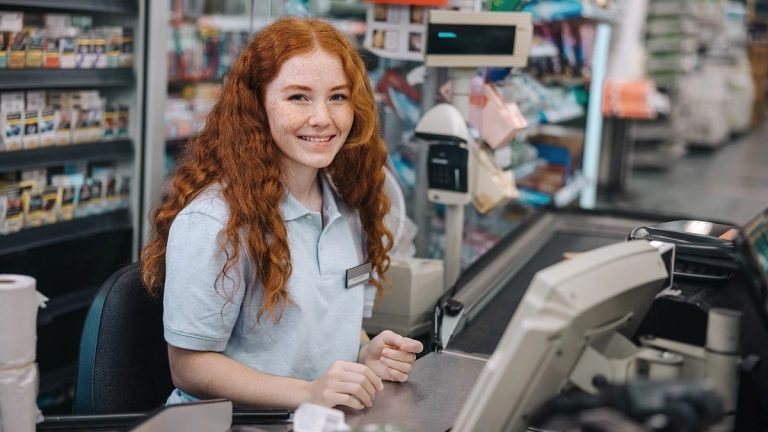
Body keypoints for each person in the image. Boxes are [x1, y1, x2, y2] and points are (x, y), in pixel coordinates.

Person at [140, 17, 423, 410]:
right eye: (298, 97)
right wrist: (307, 393)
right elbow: (189, 368)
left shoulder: (350, 205)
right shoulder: (214, 221)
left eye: (338, 97)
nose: (323, 118)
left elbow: (329, 330)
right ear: (257, 106)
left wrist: (365, 355)